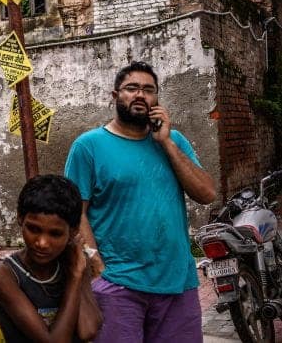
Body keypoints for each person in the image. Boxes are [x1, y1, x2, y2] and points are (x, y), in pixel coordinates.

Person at [65, 61, 216, 342]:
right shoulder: (88, 146)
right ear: (115, 96)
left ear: (156, 99)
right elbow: (75, 213)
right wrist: (96, 265)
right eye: (131, 88)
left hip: (177, 283)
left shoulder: (174, 141)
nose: (140, 95)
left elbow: (206, 194)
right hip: (118, 283)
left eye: (148, 90)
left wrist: (166, 143)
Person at [0, 175, 102, 343]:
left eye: (55, 234)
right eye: (33, 229)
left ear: (73, 232)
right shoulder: (3, 274)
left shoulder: (74, 262)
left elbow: (88, 330)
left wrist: (77, 273)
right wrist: (74, 278)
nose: (42, 243)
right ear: (20, 218)